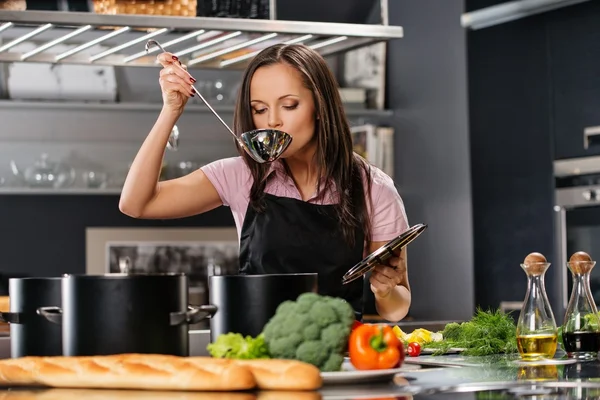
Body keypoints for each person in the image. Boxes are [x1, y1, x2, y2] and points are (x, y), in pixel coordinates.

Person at [119, 43, 411, 323]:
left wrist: (385, 289)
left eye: (289, 105)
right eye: (259, 109)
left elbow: (396, 309)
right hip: (258, 355)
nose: (273, 121)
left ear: (320, 106)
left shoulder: (374, 187)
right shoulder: (242, 175)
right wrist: (171, 110)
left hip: (340, 359)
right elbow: (136, 203)